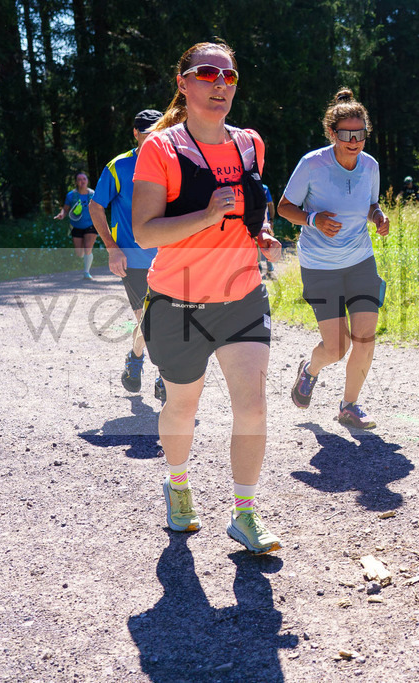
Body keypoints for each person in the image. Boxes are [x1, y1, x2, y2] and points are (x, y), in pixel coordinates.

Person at [131, 41, 283, 555]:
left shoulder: (249, 143)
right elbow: (146, 233)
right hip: (178, 302)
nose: (220, 84)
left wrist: (260, 235)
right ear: (183, 83)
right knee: (182, 406)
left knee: (254, 407)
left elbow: (250, 209)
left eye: (230, 76)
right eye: (207, 73)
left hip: (241, 295)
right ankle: (177, 483)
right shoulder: (161, 148)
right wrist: (204, 217)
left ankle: (245, 513)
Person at [279, 88, 390, 430]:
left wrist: (379, 216)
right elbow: (284, 208)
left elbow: (371, 204)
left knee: (365, 338)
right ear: (332, 133)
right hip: (320, 266)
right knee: (336, 347)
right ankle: (309, 370)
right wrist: (313, 219)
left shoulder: (369, 166)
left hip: (360, 261)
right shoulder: (312, 164)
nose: (354, 141)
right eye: (346, 134)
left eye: (360, 134)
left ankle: (350, 406)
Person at [88, 109, 165, 402]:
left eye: (156, 131)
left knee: (159, 320)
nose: (151, 137)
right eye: (146, 132)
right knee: (152, 321)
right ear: (135, 133)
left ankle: (136, 359)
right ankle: (165, 374)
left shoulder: (173, 163)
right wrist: (111, 247)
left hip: (169, 257)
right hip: (133, 260)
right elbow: (97, 206)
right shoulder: (118, 166)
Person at [54, 171, 96, 279]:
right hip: (76, 226)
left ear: (87, 181)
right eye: (79, 180)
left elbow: (98, 209)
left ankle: (86, 272)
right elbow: (65, 209)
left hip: (91, 224)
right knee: (79, 253)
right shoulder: (71, 195)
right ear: (76, 182)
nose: (82, 181)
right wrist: (62, 215)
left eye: (84, 179)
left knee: (88, 248)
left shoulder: (93, 194)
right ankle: (85, 260)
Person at [260, 183, 276, 279]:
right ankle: (269, 268)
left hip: (253, 221)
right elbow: (271, 204)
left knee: (255, 244)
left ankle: (258, 267)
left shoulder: (247, 186)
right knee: (268, 244)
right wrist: (272, 219)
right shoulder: (264, 188)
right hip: (265, 222)